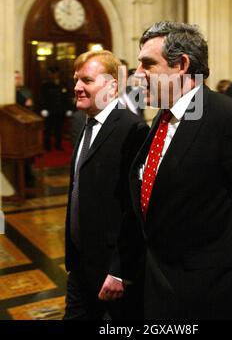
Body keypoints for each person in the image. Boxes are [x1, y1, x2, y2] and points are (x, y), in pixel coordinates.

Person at [101, 21, 232, 320]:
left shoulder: (229, 120)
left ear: (182, 65)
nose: (138, 75)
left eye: (148, 64)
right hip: (160, 283)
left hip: (211, 291)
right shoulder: (162, 120)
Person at [64, 50, 149, 320]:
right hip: (80, 262)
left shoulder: (132, 129)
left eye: (86, 80)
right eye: (76, 79)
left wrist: (119, 270)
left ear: (112, 86)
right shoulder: (85, 123)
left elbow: (134, 210)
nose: (77, 87)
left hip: (111, 270)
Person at [40, 66, 72, 151]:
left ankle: (58, 145)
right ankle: (47, 146)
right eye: (52, 74)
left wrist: (69, 109)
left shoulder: (63, 84)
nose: (54, 76)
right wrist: (43, 109)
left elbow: (66, 98)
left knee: (59, 130)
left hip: (60, 111)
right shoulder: (46, 85)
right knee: (48, 130)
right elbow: (42, 98)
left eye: (56, 74)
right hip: (49, 111)